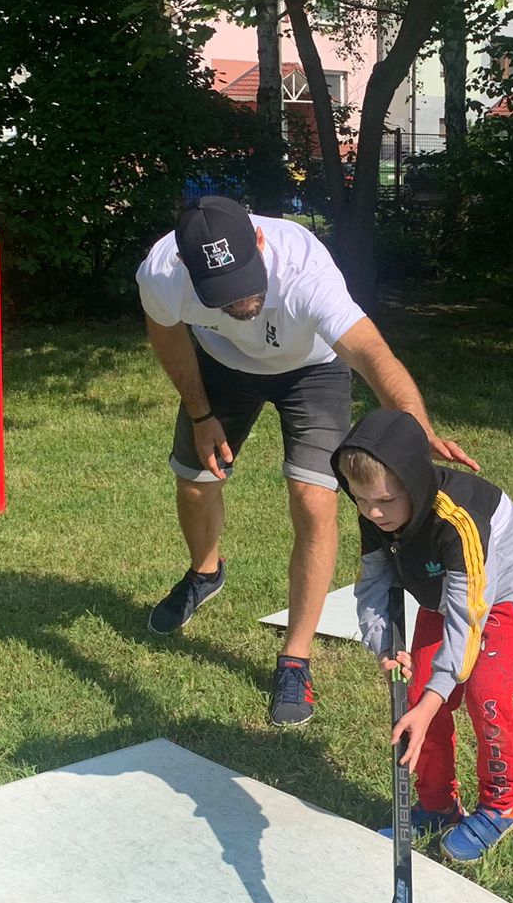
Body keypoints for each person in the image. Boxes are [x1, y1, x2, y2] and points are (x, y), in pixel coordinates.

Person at [136, 197, 476, 727]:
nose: (241, 300)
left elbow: (371, 354)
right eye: (222, 294)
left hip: (312, 371)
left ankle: (295, 657)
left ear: (261, 244)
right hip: (222, 367)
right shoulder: (161, 271)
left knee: (314, 500)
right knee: (196, 481)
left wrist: (416, 429)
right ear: (187, 268)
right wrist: (202, 414)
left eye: (247, 283)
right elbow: (166, 332)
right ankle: (205, 572)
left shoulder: (304, 271)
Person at [335, 409, 513, 863]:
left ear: (415, 483)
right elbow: (373, 585)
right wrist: (384, 646)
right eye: (359, 499)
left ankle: (502, 802)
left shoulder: (457, 522)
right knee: (417, 692)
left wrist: (435, 701)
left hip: (503, 590)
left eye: (386, 500)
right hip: (442, 591)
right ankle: (437, 805)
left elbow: (467, 622)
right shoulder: (375, 511)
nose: (372, 512)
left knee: (485, 692)